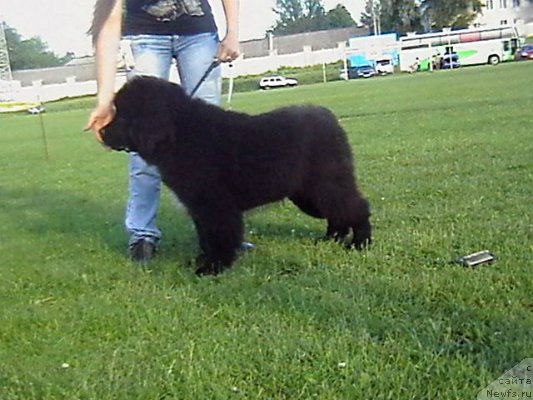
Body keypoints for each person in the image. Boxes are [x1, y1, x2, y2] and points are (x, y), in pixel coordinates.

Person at [85, 0, 241, 264]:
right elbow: (108, 21)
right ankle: (142, 235)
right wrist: (104, 100)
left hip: (199, 34)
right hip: (144, 37)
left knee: (210, 144)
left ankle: (221, 231)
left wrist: (233, 32)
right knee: (143, 141)